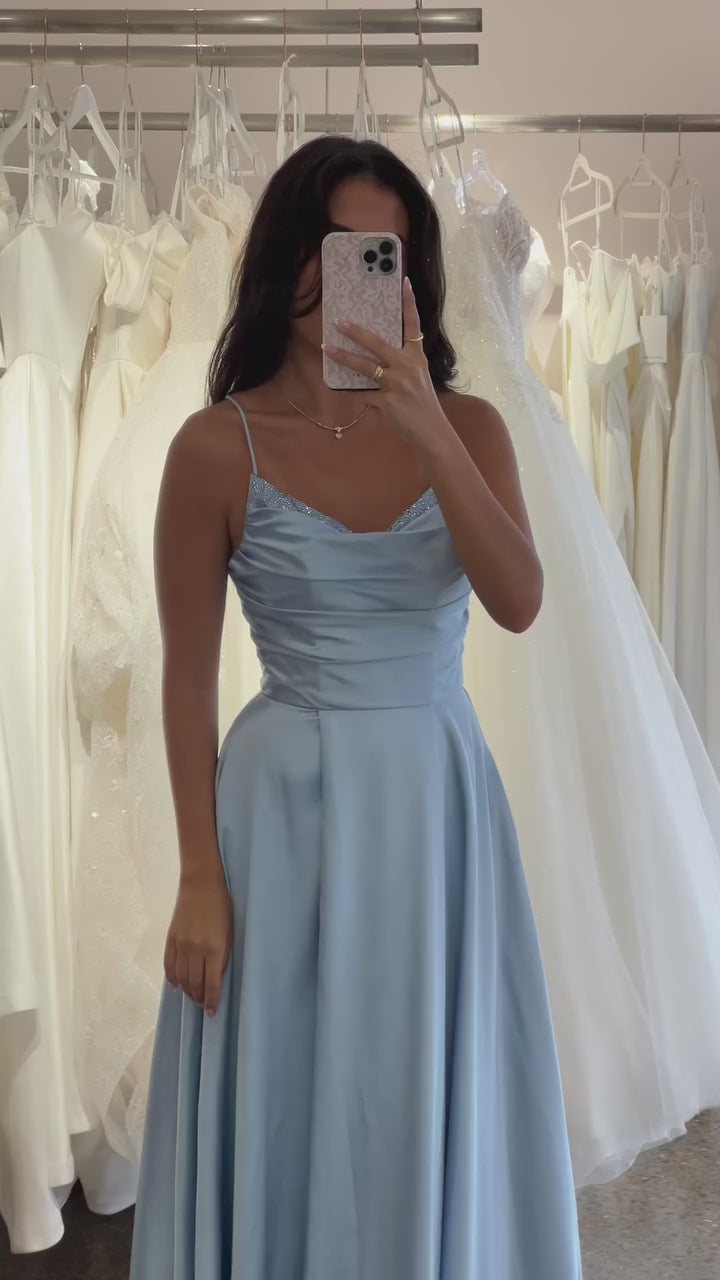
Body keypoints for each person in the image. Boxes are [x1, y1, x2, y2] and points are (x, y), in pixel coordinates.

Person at [130, 136, 582, 1279]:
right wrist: (197, 876)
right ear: (286, 255)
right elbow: (186, 674)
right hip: (279, 812)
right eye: (334, 248)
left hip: (437, 804)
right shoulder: (214, 447)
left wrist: (427, 424)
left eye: (383, 253)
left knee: (419, 1081)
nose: (353, 278)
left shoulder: (470, 428)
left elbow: (520, 600)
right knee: (288, 1094)